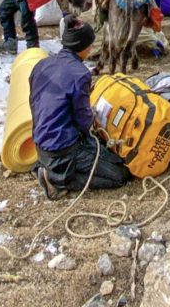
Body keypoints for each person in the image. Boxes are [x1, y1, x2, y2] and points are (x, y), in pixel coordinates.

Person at [30, 15, 132, 199]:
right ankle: (58, 179)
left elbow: (38, 102)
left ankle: (45, 166)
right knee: (120, 174)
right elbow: (84, 121)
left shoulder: (41, 65)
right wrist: (92, 117)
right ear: (84, 47)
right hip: (64, 150)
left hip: (40, 144)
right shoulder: (80, 74)